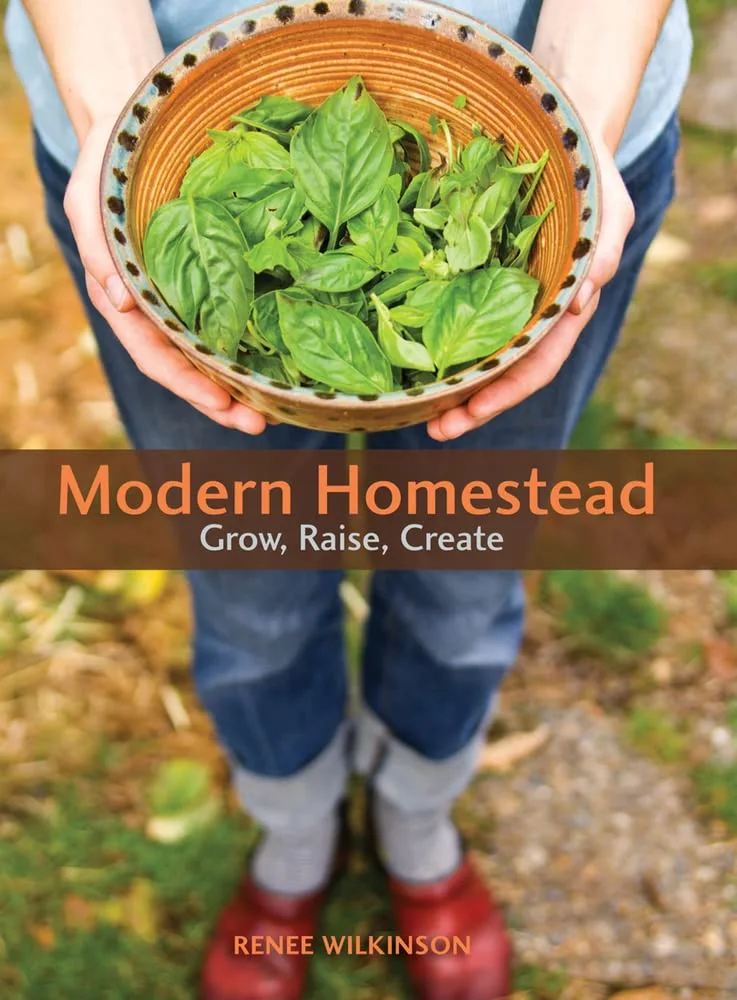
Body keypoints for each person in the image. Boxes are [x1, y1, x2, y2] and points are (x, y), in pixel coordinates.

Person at [6, 1, 691, 997]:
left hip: (579, 101)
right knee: (250, 594)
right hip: (131, 113)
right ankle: (296, 832)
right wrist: (115, 109)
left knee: (463, 582)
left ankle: (415, 814)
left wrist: (573, 120)